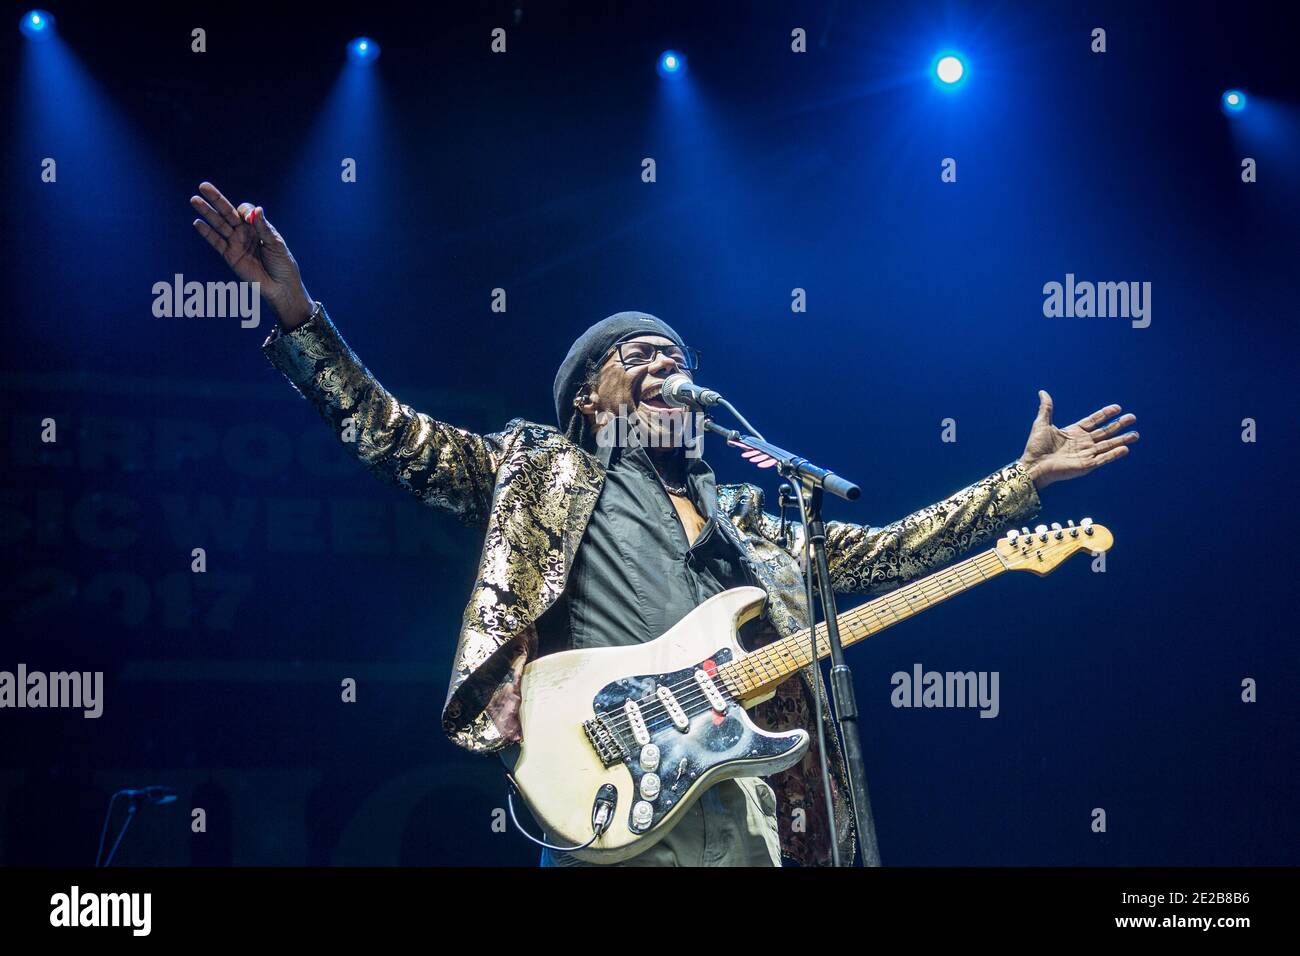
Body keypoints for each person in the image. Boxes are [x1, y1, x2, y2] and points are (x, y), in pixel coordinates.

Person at [190, 181, 1139, 866]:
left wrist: (1017, 483)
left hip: (739, 787)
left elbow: (891, 551)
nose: (661, 364)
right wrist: (300, 312)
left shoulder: (754, 522)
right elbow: (391, 436)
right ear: (589, 399)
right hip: (614, 778)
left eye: (674, 355)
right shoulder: (542, 471)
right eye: (636, 355)